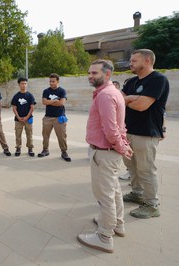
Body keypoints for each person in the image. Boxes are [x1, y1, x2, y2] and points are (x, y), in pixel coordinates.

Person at [77, 59, 133, 254]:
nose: (90, 76)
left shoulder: (105, 96)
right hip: (111, 152)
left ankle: (104, 236)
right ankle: (117, 223)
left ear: (107, 74)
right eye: (89, 73)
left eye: (94, 73)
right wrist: (123, 145)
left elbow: (111, 130)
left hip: (104, 153)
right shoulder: (113, 93)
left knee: (105, 195)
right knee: (114, 190)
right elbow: (119, 125)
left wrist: (121, 145)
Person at [122, 49, 170, 219]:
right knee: (131, 167)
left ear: (148, 61)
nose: (130, 63)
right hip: (128, 131)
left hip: (146, 133)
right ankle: (137, 194)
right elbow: (120, 99)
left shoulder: (158, 80)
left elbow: (142, 106)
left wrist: (128, 100)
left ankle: (151, 204)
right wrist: (130, 98)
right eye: (131, 60)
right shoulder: (132, 81)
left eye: (134, 61)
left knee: (145, 170)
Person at [38, 73, 71, 162]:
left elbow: (61, 103)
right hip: (47, 117)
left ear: (57, 81)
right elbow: (44, 102)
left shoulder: (62, 91)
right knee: (45, 136)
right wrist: (55, 100)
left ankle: (64, 152)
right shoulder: (46, 91)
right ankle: (45, 150)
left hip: (59, 118)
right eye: (50, 81)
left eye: (53, 81)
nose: (51, 83)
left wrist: (50, 101)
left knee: (62, 136)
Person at [11, 77, 36, 156]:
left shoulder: (30, 95)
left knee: (29, 134)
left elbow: (32, 108)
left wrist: (26, 117)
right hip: (18, 119)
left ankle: (30, 148)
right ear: (19, 84)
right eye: (22, 83)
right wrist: (18, 117)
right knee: (18, 135)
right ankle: (18, 148)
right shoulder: (16, 96)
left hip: (28, 119)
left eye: (25, 83)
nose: (24, 85)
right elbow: (14, 108)